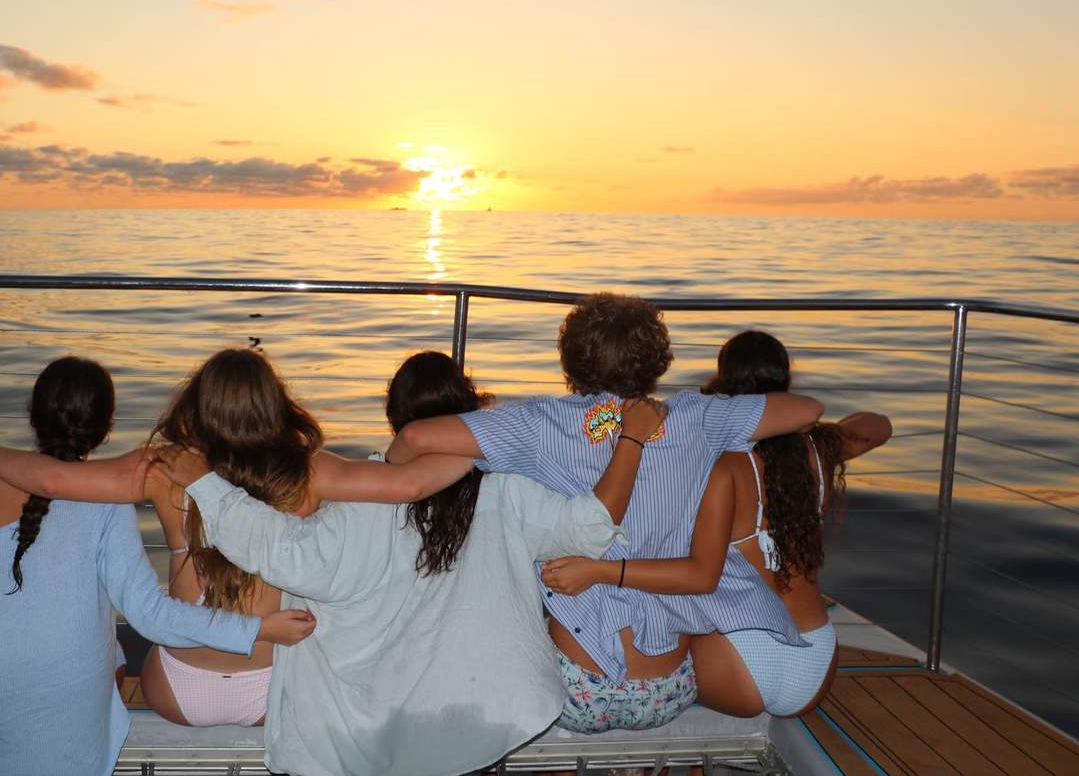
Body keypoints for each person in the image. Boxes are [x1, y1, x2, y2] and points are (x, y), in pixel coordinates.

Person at [153, 350, 646, 776]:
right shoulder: (510, 490)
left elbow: (283, 555)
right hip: (485, 717)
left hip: (377, 730)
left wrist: (208, 487)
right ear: (469, 410)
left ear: (395, 420)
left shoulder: (359, 506)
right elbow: (591, 527)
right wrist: (630, 441)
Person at [0, 348, 473, 727]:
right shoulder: (307, 471)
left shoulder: (165, 467)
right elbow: (412, 483)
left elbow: (53, 480)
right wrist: (491, 446)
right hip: (270, 690)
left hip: (177, 691)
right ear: (274, 404)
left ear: (198, 405)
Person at [386, 293, 825, 732]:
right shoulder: (697, 417)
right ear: (657, 359)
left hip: (578, 691)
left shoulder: (541, 423)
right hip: (670, 688)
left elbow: (414, 440)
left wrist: (392, 466)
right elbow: (808, 410)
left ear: (570, 360)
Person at [0, 356, 315, 776]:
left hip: (12, 690)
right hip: (255, 690)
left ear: (32, 411)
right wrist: (260, 629)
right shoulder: (307, 473)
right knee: (112, 645)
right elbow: (148, 614)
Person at [541, 330, 892, 717]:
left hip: (741, 661)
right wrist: (826, 432)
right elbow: (879, 426)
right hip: (817, 662)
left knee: (662, 644)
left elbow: (698, 572)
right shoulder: (816, 451)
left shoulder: (718, 460)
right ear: (785, 381)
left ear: (723, 379)